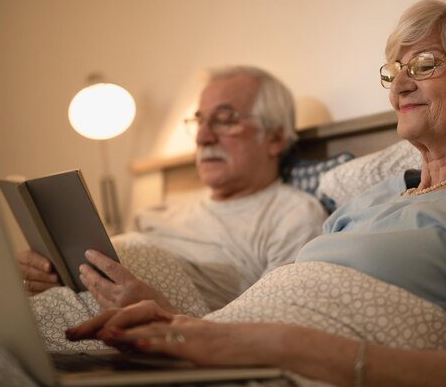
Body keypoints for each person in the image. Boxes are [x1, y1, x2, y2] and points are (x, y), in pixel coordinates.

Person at [67, 0, 446, 387]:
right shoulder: (366, 201)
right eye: (393, 72)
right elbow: (262, 317)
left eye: (425, 65)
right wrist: (172, 320)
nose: (398, 89)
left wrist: (271, 346)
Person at [17, 65, 328, 313]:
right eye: (199, 120)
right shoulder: (158, 210)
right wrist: (48, 276)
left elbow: (272, 324)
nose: (203, 137)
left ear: (274, 139)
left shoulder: (293, 215)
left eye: (224, 120)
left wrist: (164, 315)